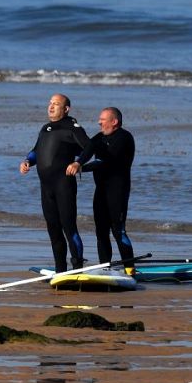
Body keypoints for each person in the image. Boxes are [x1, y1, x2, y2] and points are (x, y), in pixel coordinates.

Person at [20, 94, 90, 273]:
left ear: (66, 109)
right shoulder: (45, 128)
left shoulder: (72, 127)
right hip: (46, 188)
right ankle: (61, 270)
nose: (51, 107)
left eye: (56, 104)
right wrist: (27, 161)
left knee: (69, 228)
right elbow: (36, 151)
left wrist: (78, 163)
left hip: (64, 186)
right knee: (53, 230)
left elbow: (89, 147)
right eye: (50, 103)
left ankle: (77, 269)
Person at [67, 106, 136, 271]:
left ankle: (130, 270)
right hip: (101, 191)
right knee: (101, 232)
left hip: (118, 191)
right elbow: (88, 149)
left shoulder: (124, 138)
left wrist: (81, 167)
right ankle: (105, 268)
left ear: (114, 121)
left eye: (103, 120)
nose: (99, 122)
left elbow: (104, 161)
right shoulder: (100, 137)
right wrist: (77, 161)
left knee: (118, 231)